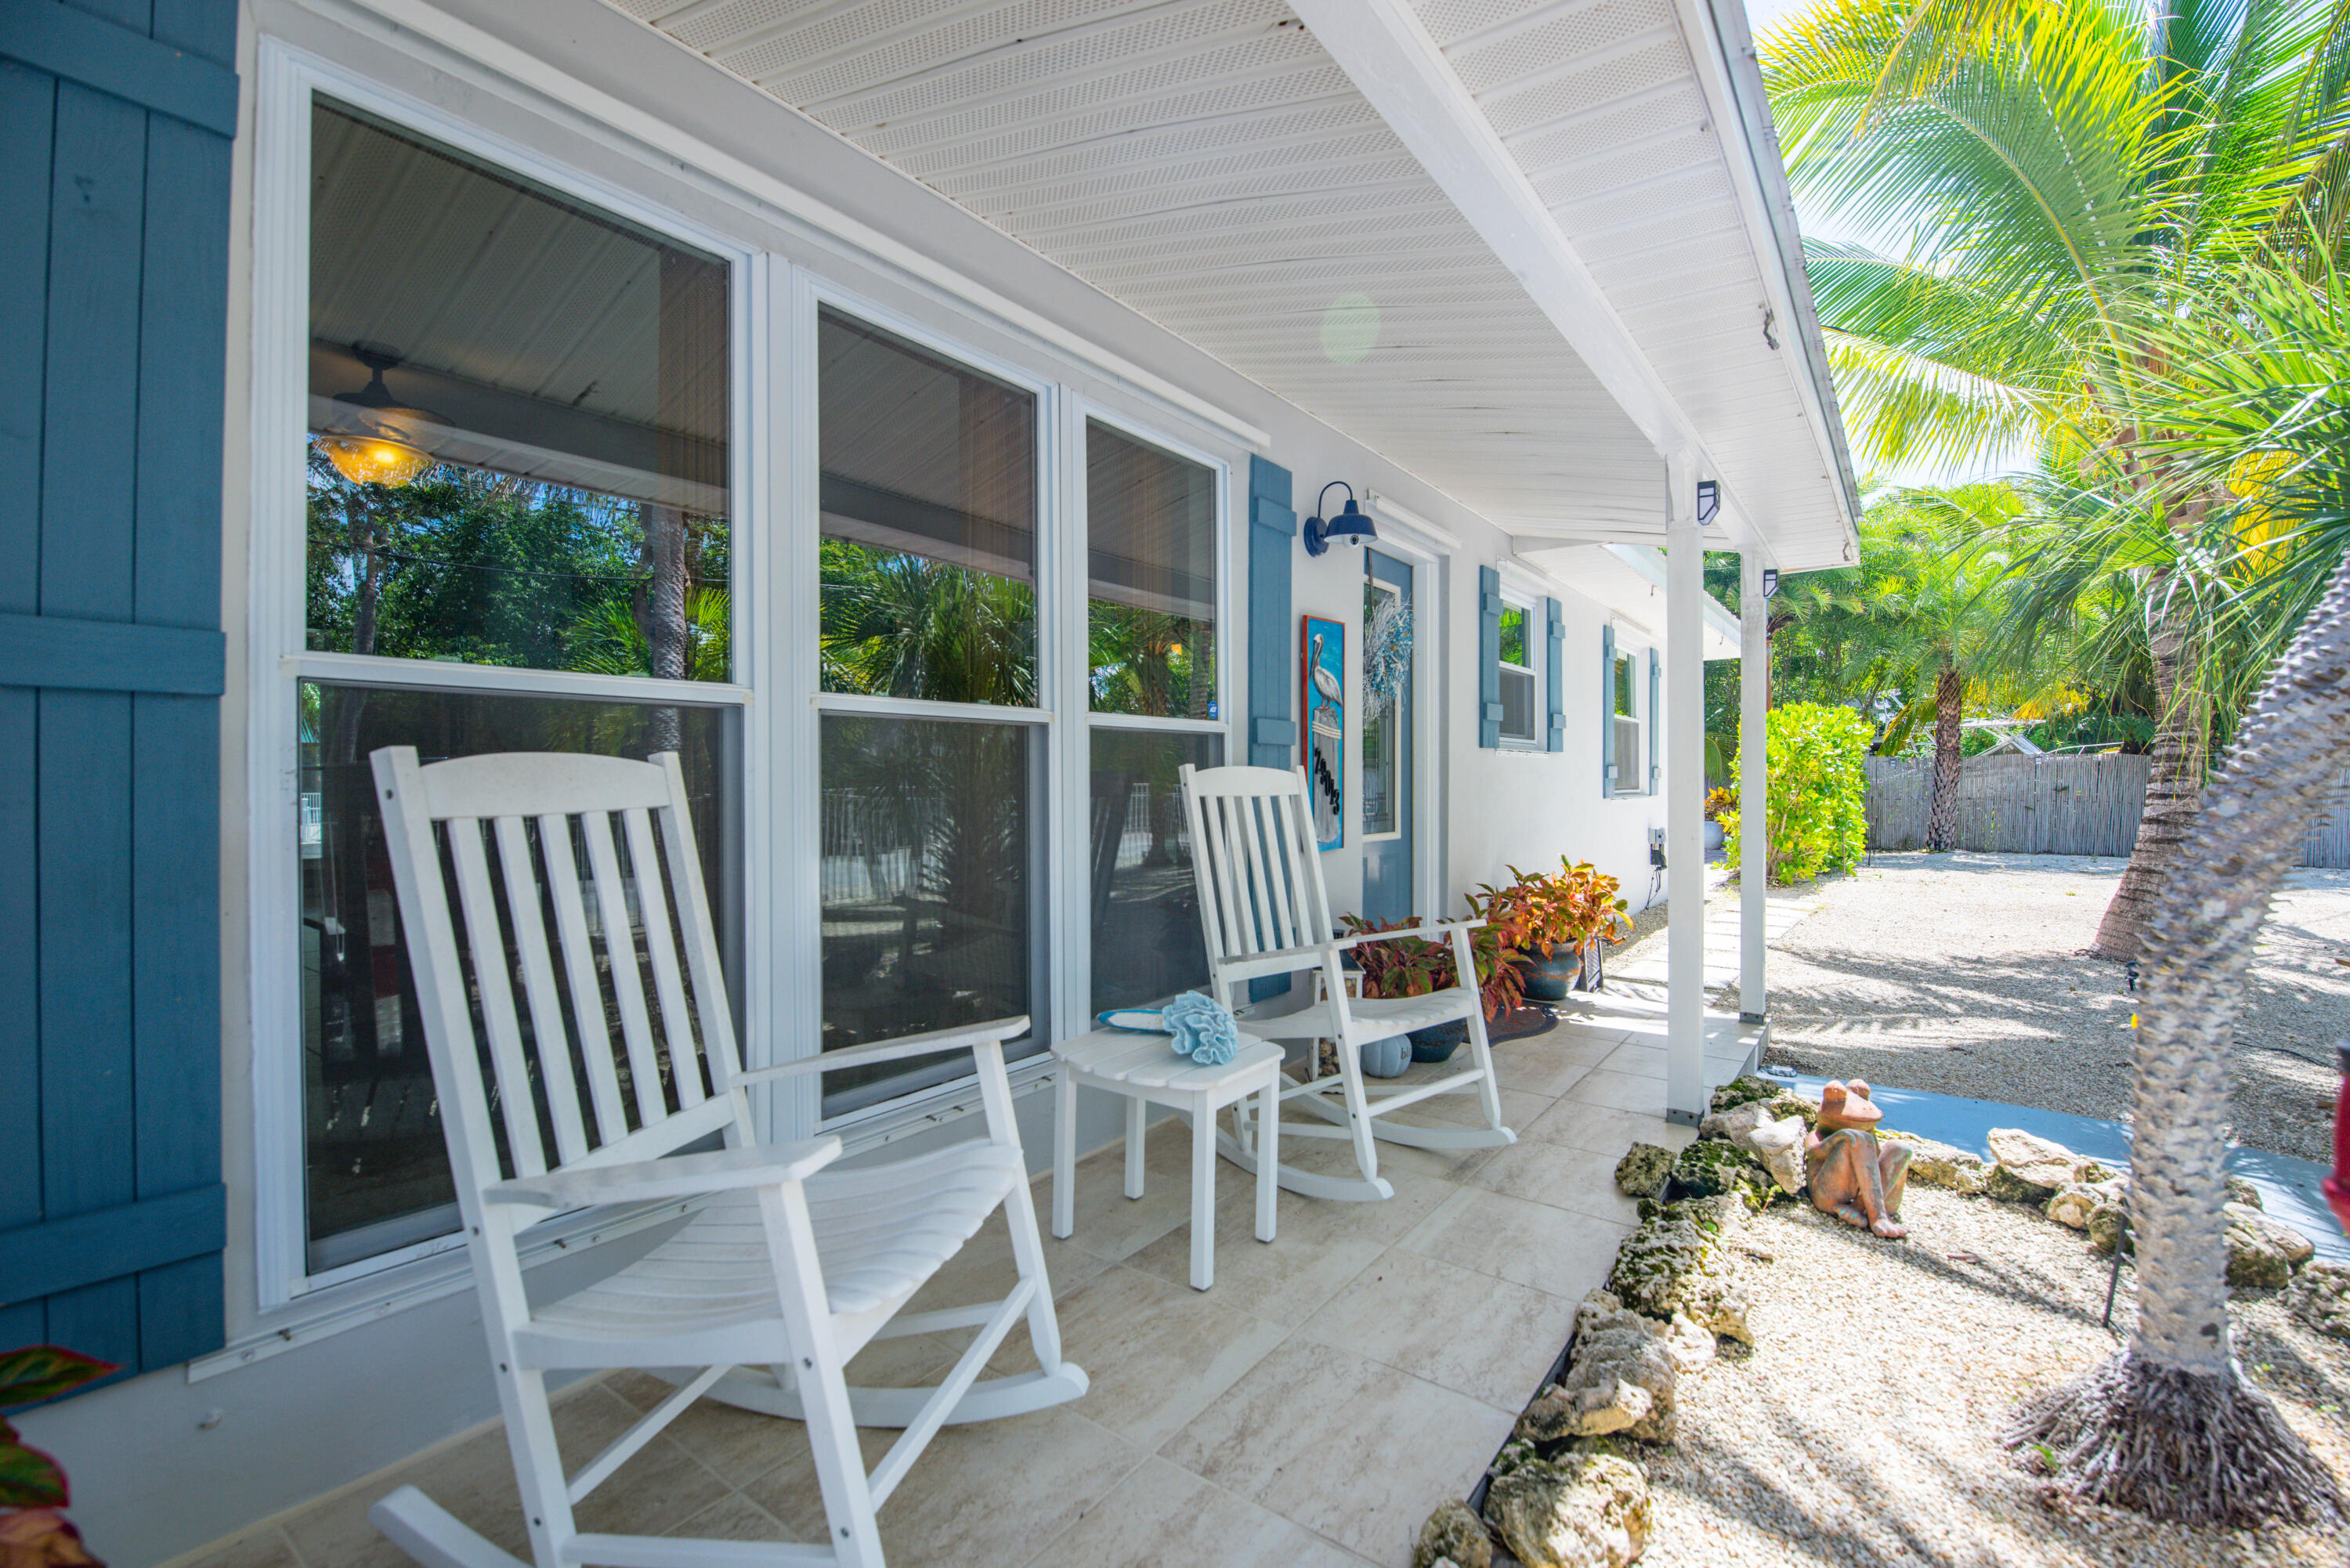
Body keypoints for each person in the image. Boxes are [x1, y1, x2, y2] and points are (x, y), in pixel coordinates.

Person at [1806, 1078, 1911, 1239]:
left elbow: (1874, 1165)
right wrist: (1841, 1136)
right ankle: (1878, 1216)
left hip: (1869, 1197)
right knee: (1857, 1139)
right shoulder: (1820, 1134)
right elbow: (1814, 1153)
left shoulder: (1868, 1135)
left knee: (1900, 1148)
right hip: (1831, 1198)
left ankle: (1860, 1207)